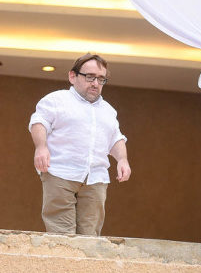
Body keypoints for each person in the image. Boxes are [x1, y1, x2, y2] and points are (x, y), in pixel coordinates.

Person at [29, 53, 131, 236]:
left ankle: (84, 266)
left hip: (96, 179)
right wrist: (41, 147)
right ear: (72, 76)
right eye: (90, 77)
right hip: (60, 174)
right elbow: (39, 123)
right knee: (62, 235)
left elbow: (116, 138)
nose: (95, 83)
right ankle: (63, 265)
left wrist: (122, 160)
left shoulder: (108, 111)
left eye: (101, 79)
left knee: (90, 236)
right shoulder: (56, 100)